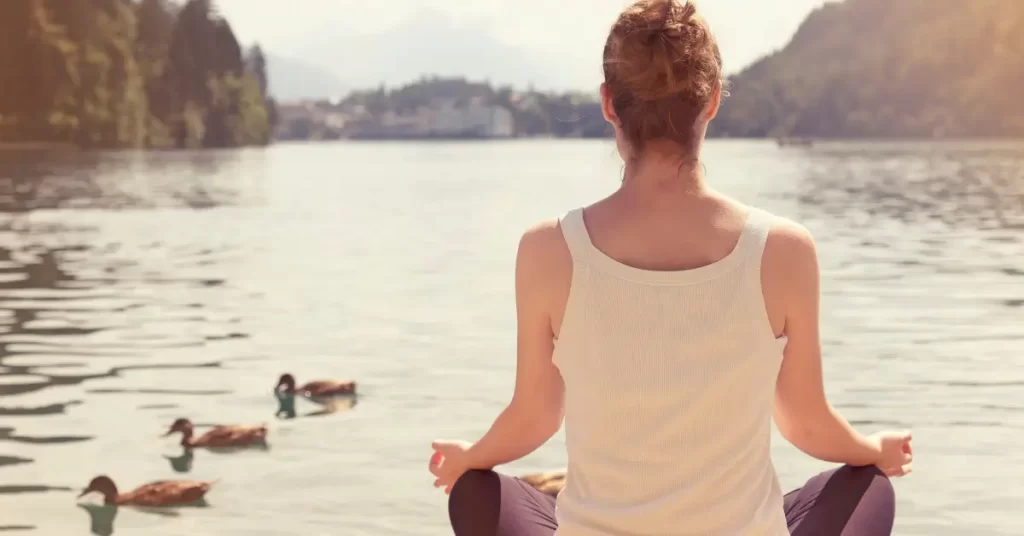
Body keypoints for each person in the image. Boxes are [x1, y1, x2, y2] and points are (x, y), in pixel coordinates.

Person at [428, 0, 913, 534]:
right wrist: (876, 450)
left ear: (609, 104)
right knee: (867, 483)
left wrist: (468, 457)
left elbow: (534, 417)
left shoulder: (547, 249)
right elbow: (806, 423)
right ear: (710, 102)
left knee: (476, 488)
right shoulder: (784, 249)